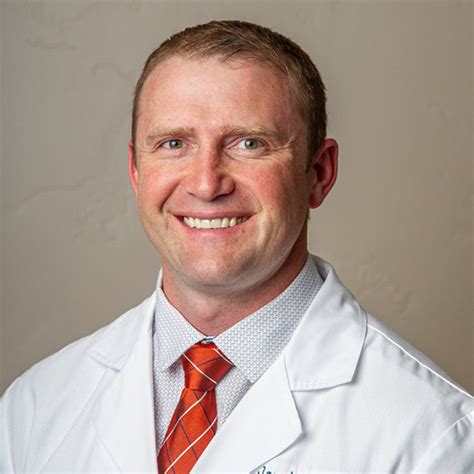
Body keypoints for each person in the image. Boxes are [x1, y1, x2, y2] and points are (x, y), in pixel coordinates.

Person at [1, 20, 472, 473]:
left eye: (249, 143)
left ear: (319, 173)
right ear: (136, 170)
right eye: (173, 144)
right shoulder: (34, 407)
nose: (206, 184)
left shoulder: (435, 433)